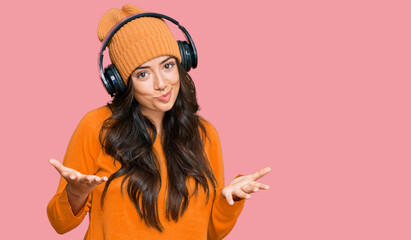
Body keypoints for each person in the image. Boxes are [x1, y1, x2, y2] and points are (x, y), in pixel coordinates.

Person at [47, 4, 271, 240]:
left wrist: (231, 199)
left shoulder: (205, 134)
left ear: (182, 63)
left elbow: (210, 232)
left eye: (167, 66)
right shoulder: (96, 126)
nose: (161, 83)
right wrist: (75, 193)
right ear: (122, 83)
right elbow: (60, 223)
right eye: (143, 74)